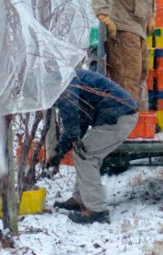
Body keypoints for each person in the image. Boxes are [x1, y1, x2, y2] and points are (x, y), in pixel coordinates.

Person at [48, 68, 138, 224]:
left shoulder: (65, 80)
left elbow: (69, 108)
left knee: (87, 156)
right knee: (82, 152)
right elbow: (79, 121)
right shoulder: (71, 77)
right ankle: (81, 199)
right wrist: (59, 152)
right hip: (117, 114)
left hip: (118, 117)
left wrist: (72, 138)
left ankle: (97, 210)